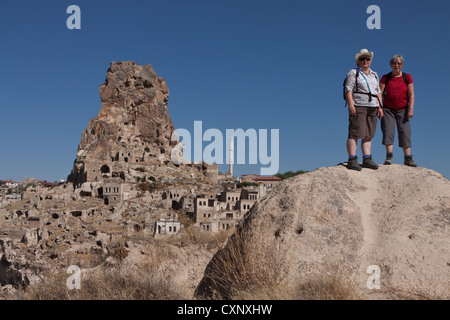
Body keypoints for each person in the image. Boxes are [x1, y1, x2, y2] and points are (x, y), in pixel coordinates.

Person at [344, 49, 383, 171]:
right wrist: (351, 104)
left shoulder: (374, 74)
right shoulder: (353, 73)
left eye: (367, 58)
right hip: (359, 105)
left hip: (373, 106)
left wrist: (380, 107)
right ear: (358, 61)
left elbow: (378, 92)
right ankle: (352, 159)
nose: (365, 61)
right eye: (362, 59)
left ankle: (367, 158)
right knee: (355, 132)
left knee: (368, 134)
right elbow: (348, 89)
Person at [380, 55, 417, 167]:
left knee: (405, 132)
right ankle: (389, 156)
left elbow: (411, 94)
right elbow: (379, 94)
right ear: (391, 65)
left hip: (403, 109)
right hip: (388, 109)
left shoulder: (407, 77)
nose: (397, 65)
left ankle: (407, 158)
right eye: (394, 63)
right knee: (388, 131)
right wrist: (379, 108)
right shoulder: (385, 78)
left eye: (399, 63)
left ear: (402, 65)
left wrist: (411, 108)